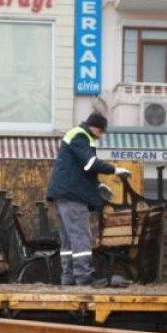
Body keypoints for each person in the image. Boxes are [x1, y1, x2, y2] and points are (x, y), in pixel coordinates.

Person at [46, 112, 132, 286]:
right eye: (101, 132)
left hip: (64, 194)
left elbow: (79, 170)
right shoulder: (81, 135)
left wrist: (97, 186)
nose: (101, 137)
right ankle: (84, 277)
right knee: (81, 237)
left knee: (68, 239)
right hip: (73, 196)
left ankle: (68, 278)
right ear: (96, 128)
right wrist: (114, 170)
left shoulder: (76, 135)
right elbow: (90, 164)